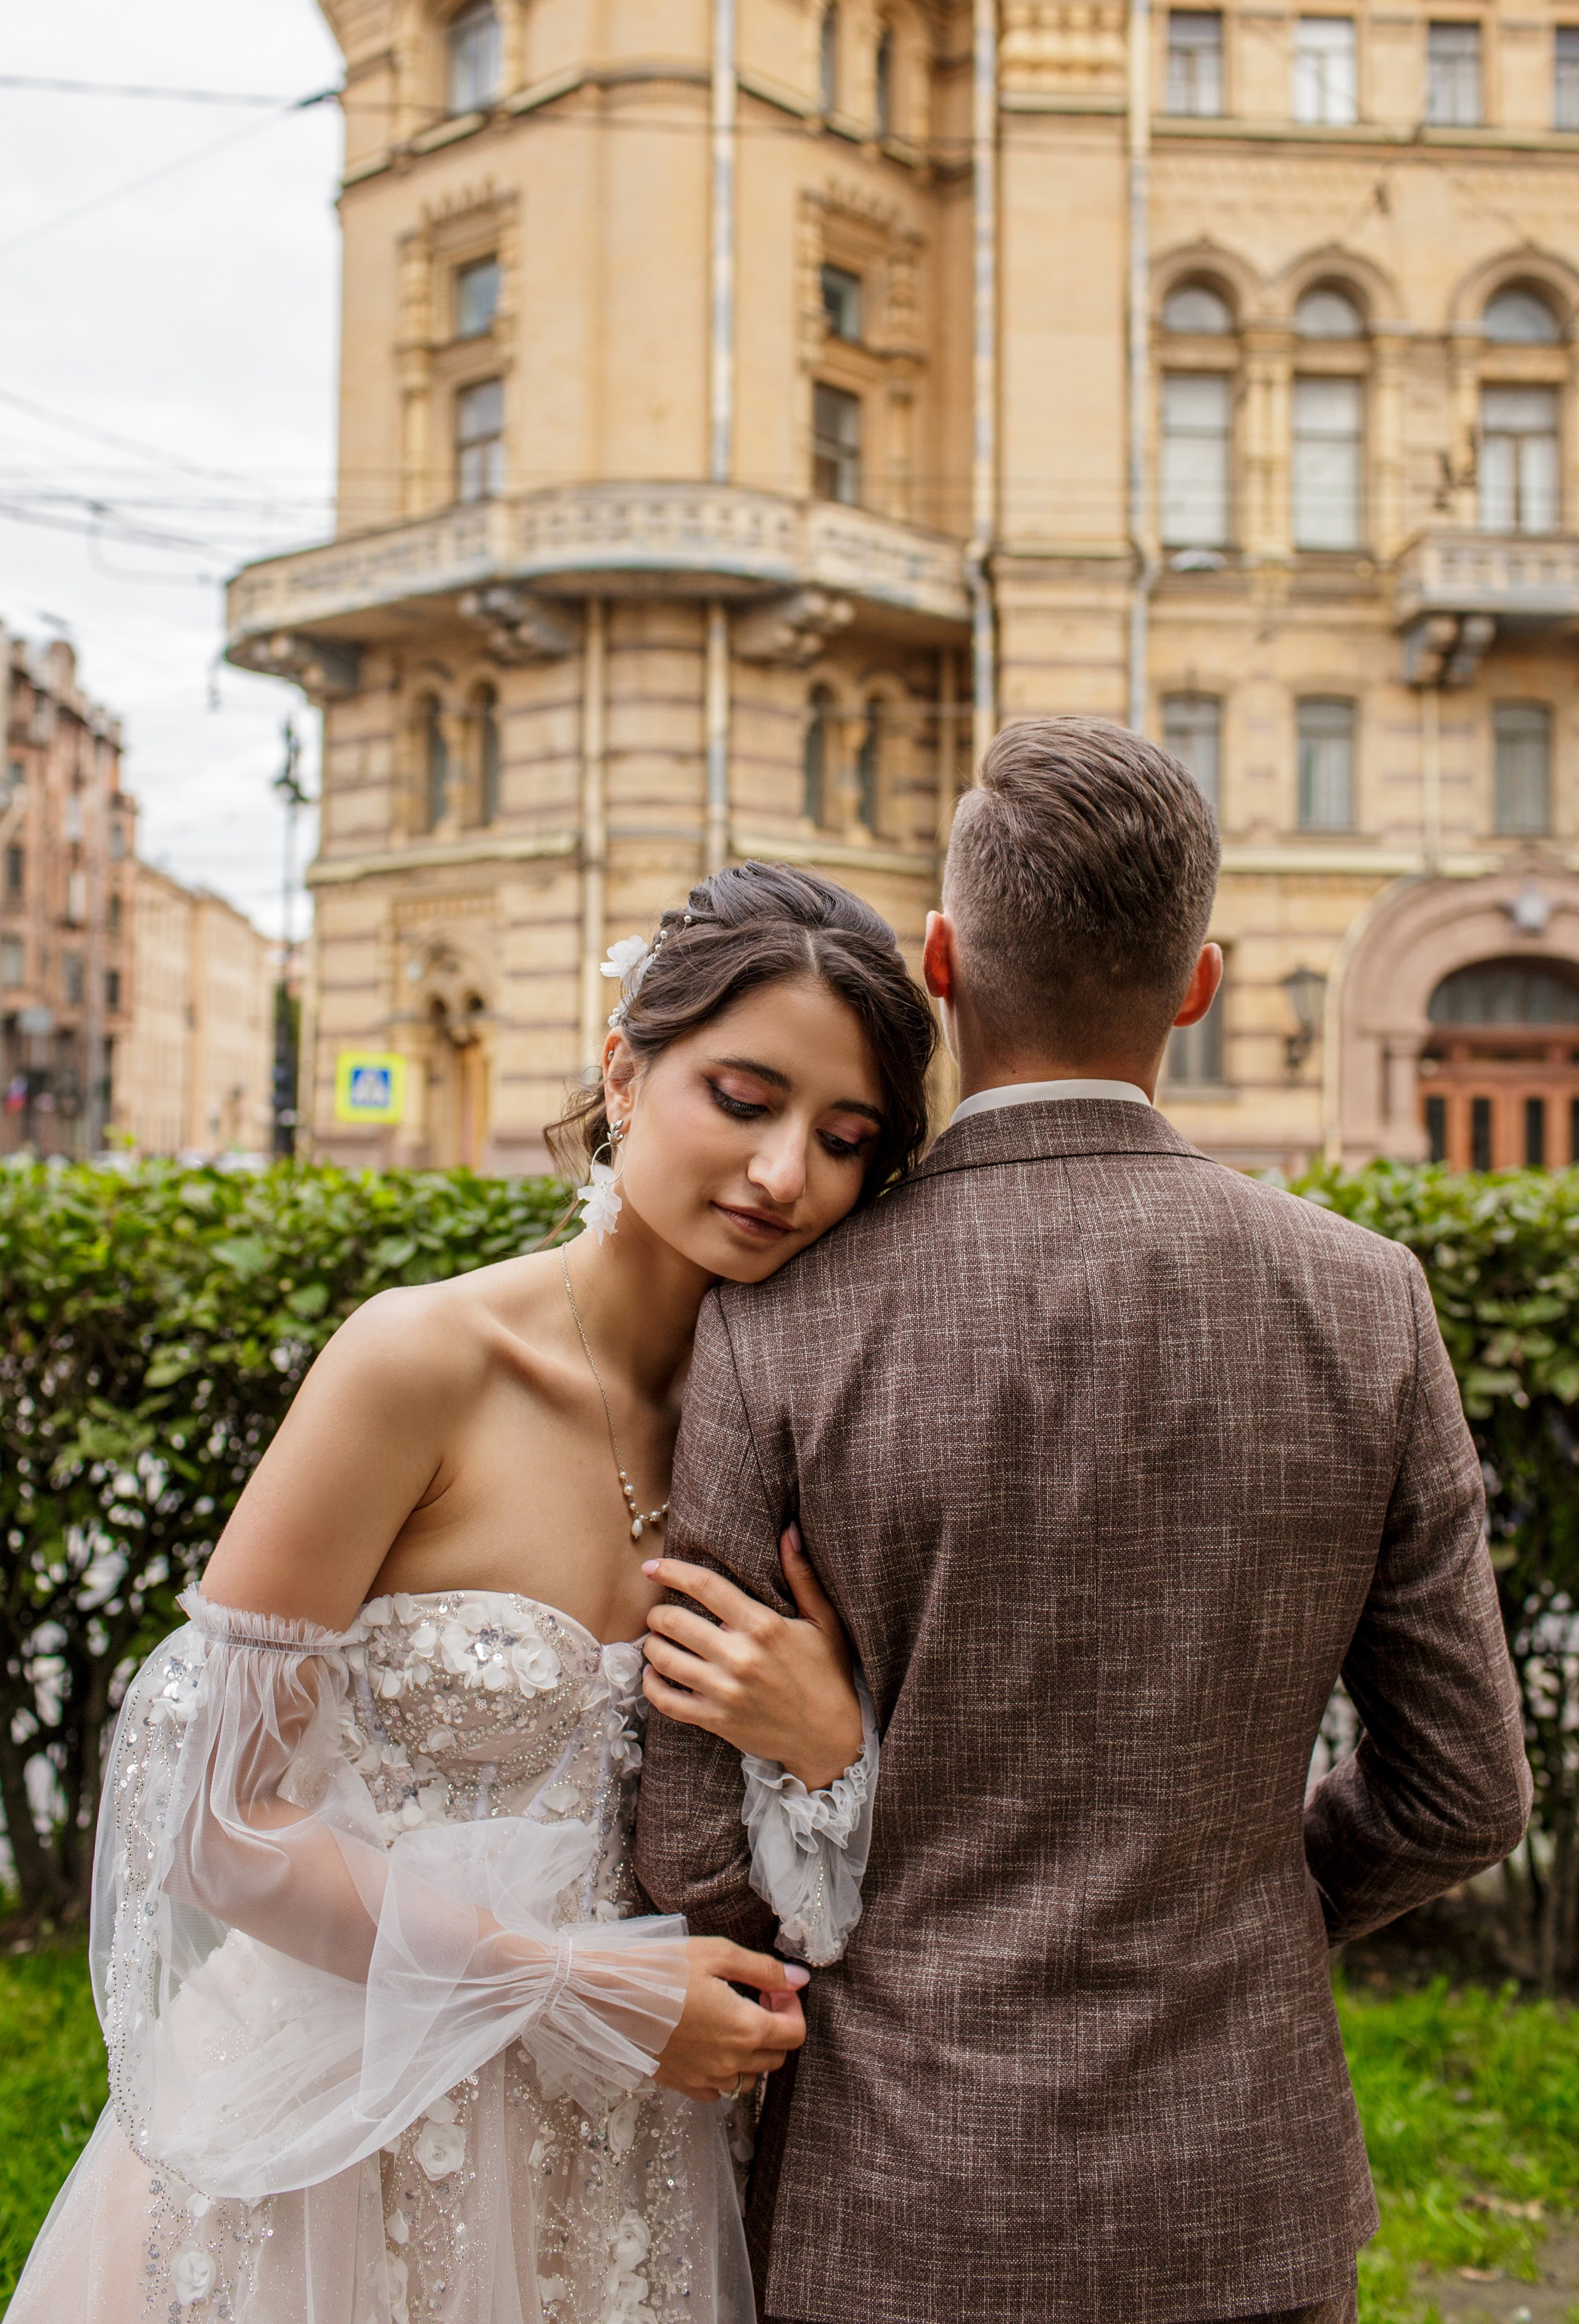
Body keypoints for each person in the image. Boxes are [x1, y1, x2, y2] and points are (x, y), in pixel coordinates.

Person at [635, 716, 1533, 2324]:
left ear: (939, 962)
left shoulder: (786, 1317)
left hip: (890, 2204)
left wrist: (864, 1881)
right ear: (1199, 983)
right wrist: (1255, 1907)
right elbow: (1464, 1795)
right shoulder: (1368, 1305)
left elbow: (690, 1839)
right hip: (1236, 2197)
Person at [9, 863, 928, 2324]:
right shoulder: (416, 1363)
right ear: (625, 1071)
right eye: (742, 1101)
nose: (781, 1175)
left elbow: (826, 1871)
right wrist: (567, 1983)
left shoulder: (801, 1431)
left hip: (637, 2154)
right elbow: (214, 1825)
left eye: (842, 1137)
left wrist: (827, 1750)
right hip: (353, 2127)